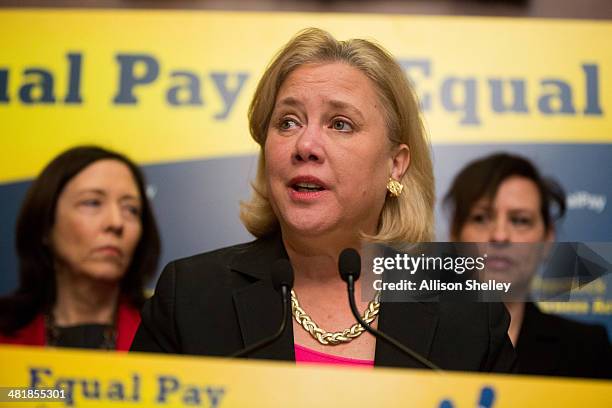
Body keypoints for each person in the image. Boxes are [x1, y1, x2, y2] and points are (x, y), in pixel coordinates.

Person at [131, 28, 515, 372]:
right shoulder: (192, 296)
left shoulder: (467, 313)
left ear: (395, 165)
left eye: (340, 124)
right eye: (288, 122)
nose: (306, 145)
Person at [444, 152, 611, 378]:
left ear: (546, 240)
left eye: (520, 220)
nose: (500, 235)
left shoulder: (587, 350)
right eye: (481, 218)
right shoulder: (412, 338)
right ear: (455, 236)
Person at [0, 146, 161, 350]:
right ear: (45, 224)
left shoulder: (163, 331)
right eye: (92, 203)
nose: (116, 222)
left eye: (131, 209)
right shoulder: (6, 334)